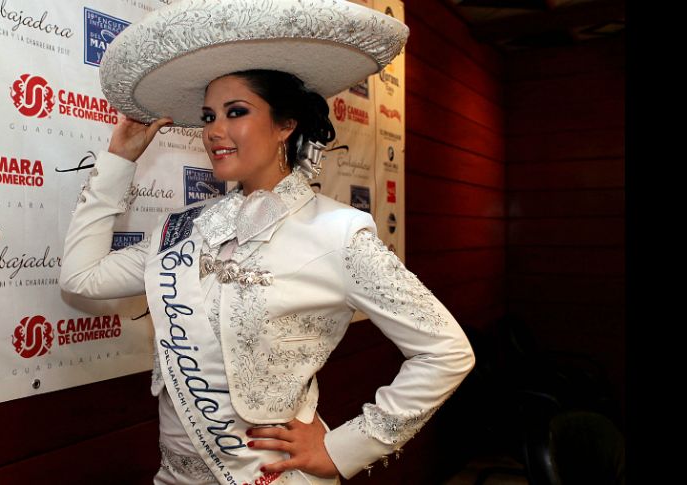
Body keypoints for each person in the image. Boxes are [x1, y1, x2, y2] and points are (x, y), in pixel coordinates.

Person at [60, 1, 475, 484]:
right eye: (208, 116)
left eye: (236, 112)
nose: (214, 131)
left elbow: (446, 352)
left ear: (285, 125)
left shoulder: (338, 233)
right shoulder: (186, 229)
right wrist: (119, 160)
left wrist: (344, 449)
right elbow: (81, 278)